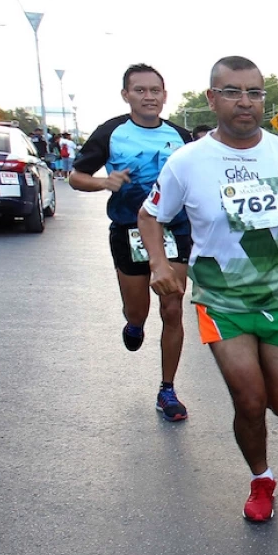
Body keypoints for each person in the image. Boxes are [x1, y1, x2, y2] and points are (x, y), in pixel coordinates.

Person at [138, 55, 278, 522]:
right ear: (212, 98)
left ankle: (263, 438)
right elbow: (150, 215)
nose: (245, 102)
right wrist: (159, 264)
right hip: (220, 298)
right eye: (232, 91)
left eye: (254, 93)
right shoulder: (187, 161)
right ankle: (261, 479)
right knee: (250, 400)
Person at [69, 63, 193, 422]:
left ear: (164, 95)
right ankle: (134, 323)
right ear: (126, 95)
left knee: (172, 308)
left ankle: (167, 390)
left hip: (174, 231)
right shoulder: (111, 132)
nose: (149, 96)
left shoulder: (181, 137)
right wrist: (104, 184)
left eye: (155, 90)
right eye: (140, 90)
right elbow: (76, 177)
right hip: (128, 230)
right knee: (138, 310)